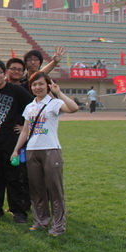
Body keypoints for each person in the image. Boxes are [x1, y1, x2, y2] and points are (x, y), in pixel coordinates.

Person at [11, 72, 78, 236]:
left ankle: (58, 225)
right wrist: (16, 149)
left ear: (48, 85)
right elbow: (25, 130)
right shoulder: (30, 106)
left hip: (51, 149)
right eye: (34, 84)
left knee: (55, 189)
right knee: (36, 189)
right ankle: (40, 221)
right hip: (32, 150)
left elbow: (74, 108)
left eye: (41, 84)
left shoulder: (54, 103)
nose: (37, 87)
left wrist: (58, 92)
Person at [0, 60, 33, 222]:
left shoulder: (17, 91)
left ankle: (18, 211)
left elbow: (33, 107)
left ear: (4, 74)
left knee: (14, 177)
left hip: (12, 143)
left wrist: (25, 127)